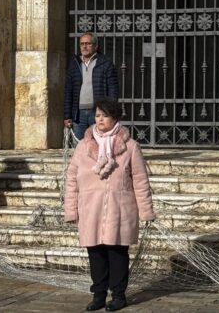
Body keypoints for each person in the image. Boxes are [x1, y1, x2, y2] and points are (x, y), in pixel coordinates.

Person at [64, 99, 155, 312]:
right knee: (95, 253)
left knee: (117, 253)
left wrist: (146, 211)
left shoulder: (130, 147)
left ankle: (119, 295)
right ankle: (98, 295)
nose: (100, 119)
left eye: (104, 115)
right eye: (97, 115)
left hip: (120, 208)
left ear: (115, 118)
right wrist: (71, 209)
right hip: (91, 208)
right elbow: (71, 179)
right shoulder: (83, 146)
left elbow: (140, 181)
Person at [64, 32, 120, 141]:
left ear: (96, 46)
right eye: (82, 44)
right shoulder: (75, 65)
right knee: (79, 148)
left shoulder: (105, 64)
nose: (84, 46)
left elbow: (113, 90)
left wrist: (110, 112)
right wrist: (67, 115)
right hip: (78, 115)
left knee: (99, 146)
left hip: (99, 113)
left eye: (88, 43)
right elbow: (68, 91)